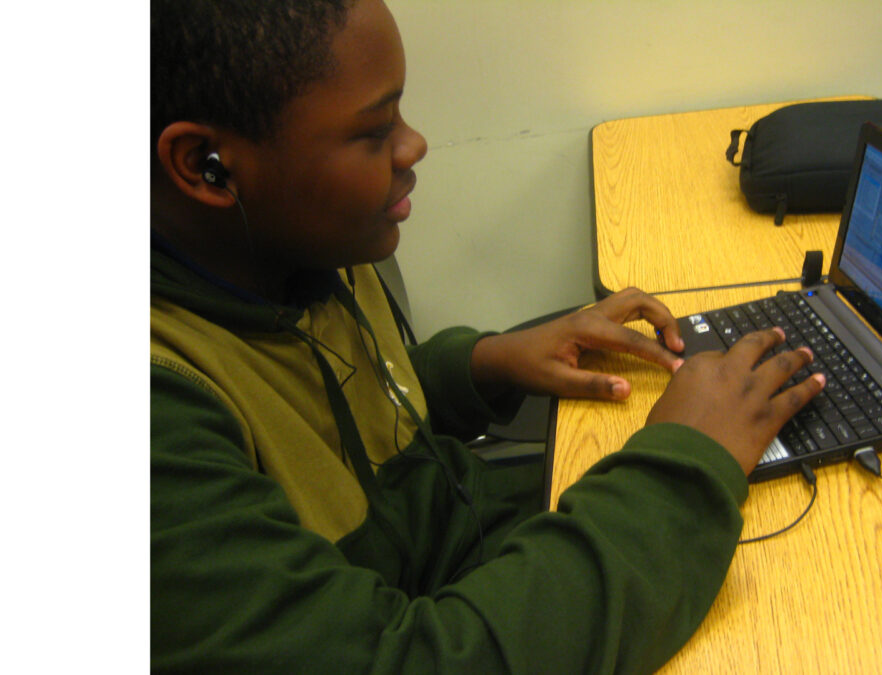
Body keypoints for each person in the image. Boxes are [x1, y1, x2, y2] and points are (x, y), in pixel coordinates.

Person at [149, 0, 826, 672]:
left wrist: (483, 364)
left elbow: (327, 420)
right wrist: (687, 462)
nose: (413, 145)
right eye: (372, 132)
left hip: (469, 542)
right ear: (203, 163)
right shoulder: (159, 430)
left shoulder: (276, 248)